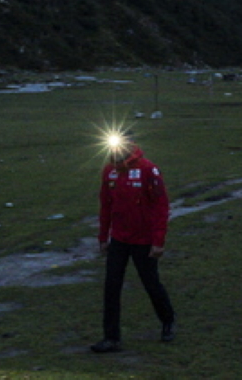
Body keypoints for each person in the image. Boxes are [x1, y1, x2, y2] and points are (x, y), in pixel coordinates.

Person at [91, 129, 176, 353]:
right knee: (111, 286)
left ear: (131, 144)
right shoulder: (109, 171)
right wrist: (103, 236)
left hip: (143, 240)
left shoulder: (148, 170)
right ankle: (111, 337)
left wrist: (158, 240)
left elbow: (161, 206)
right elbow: (105, 206)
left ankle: (167, 320)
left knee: (150, 283)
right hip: (119, 239)